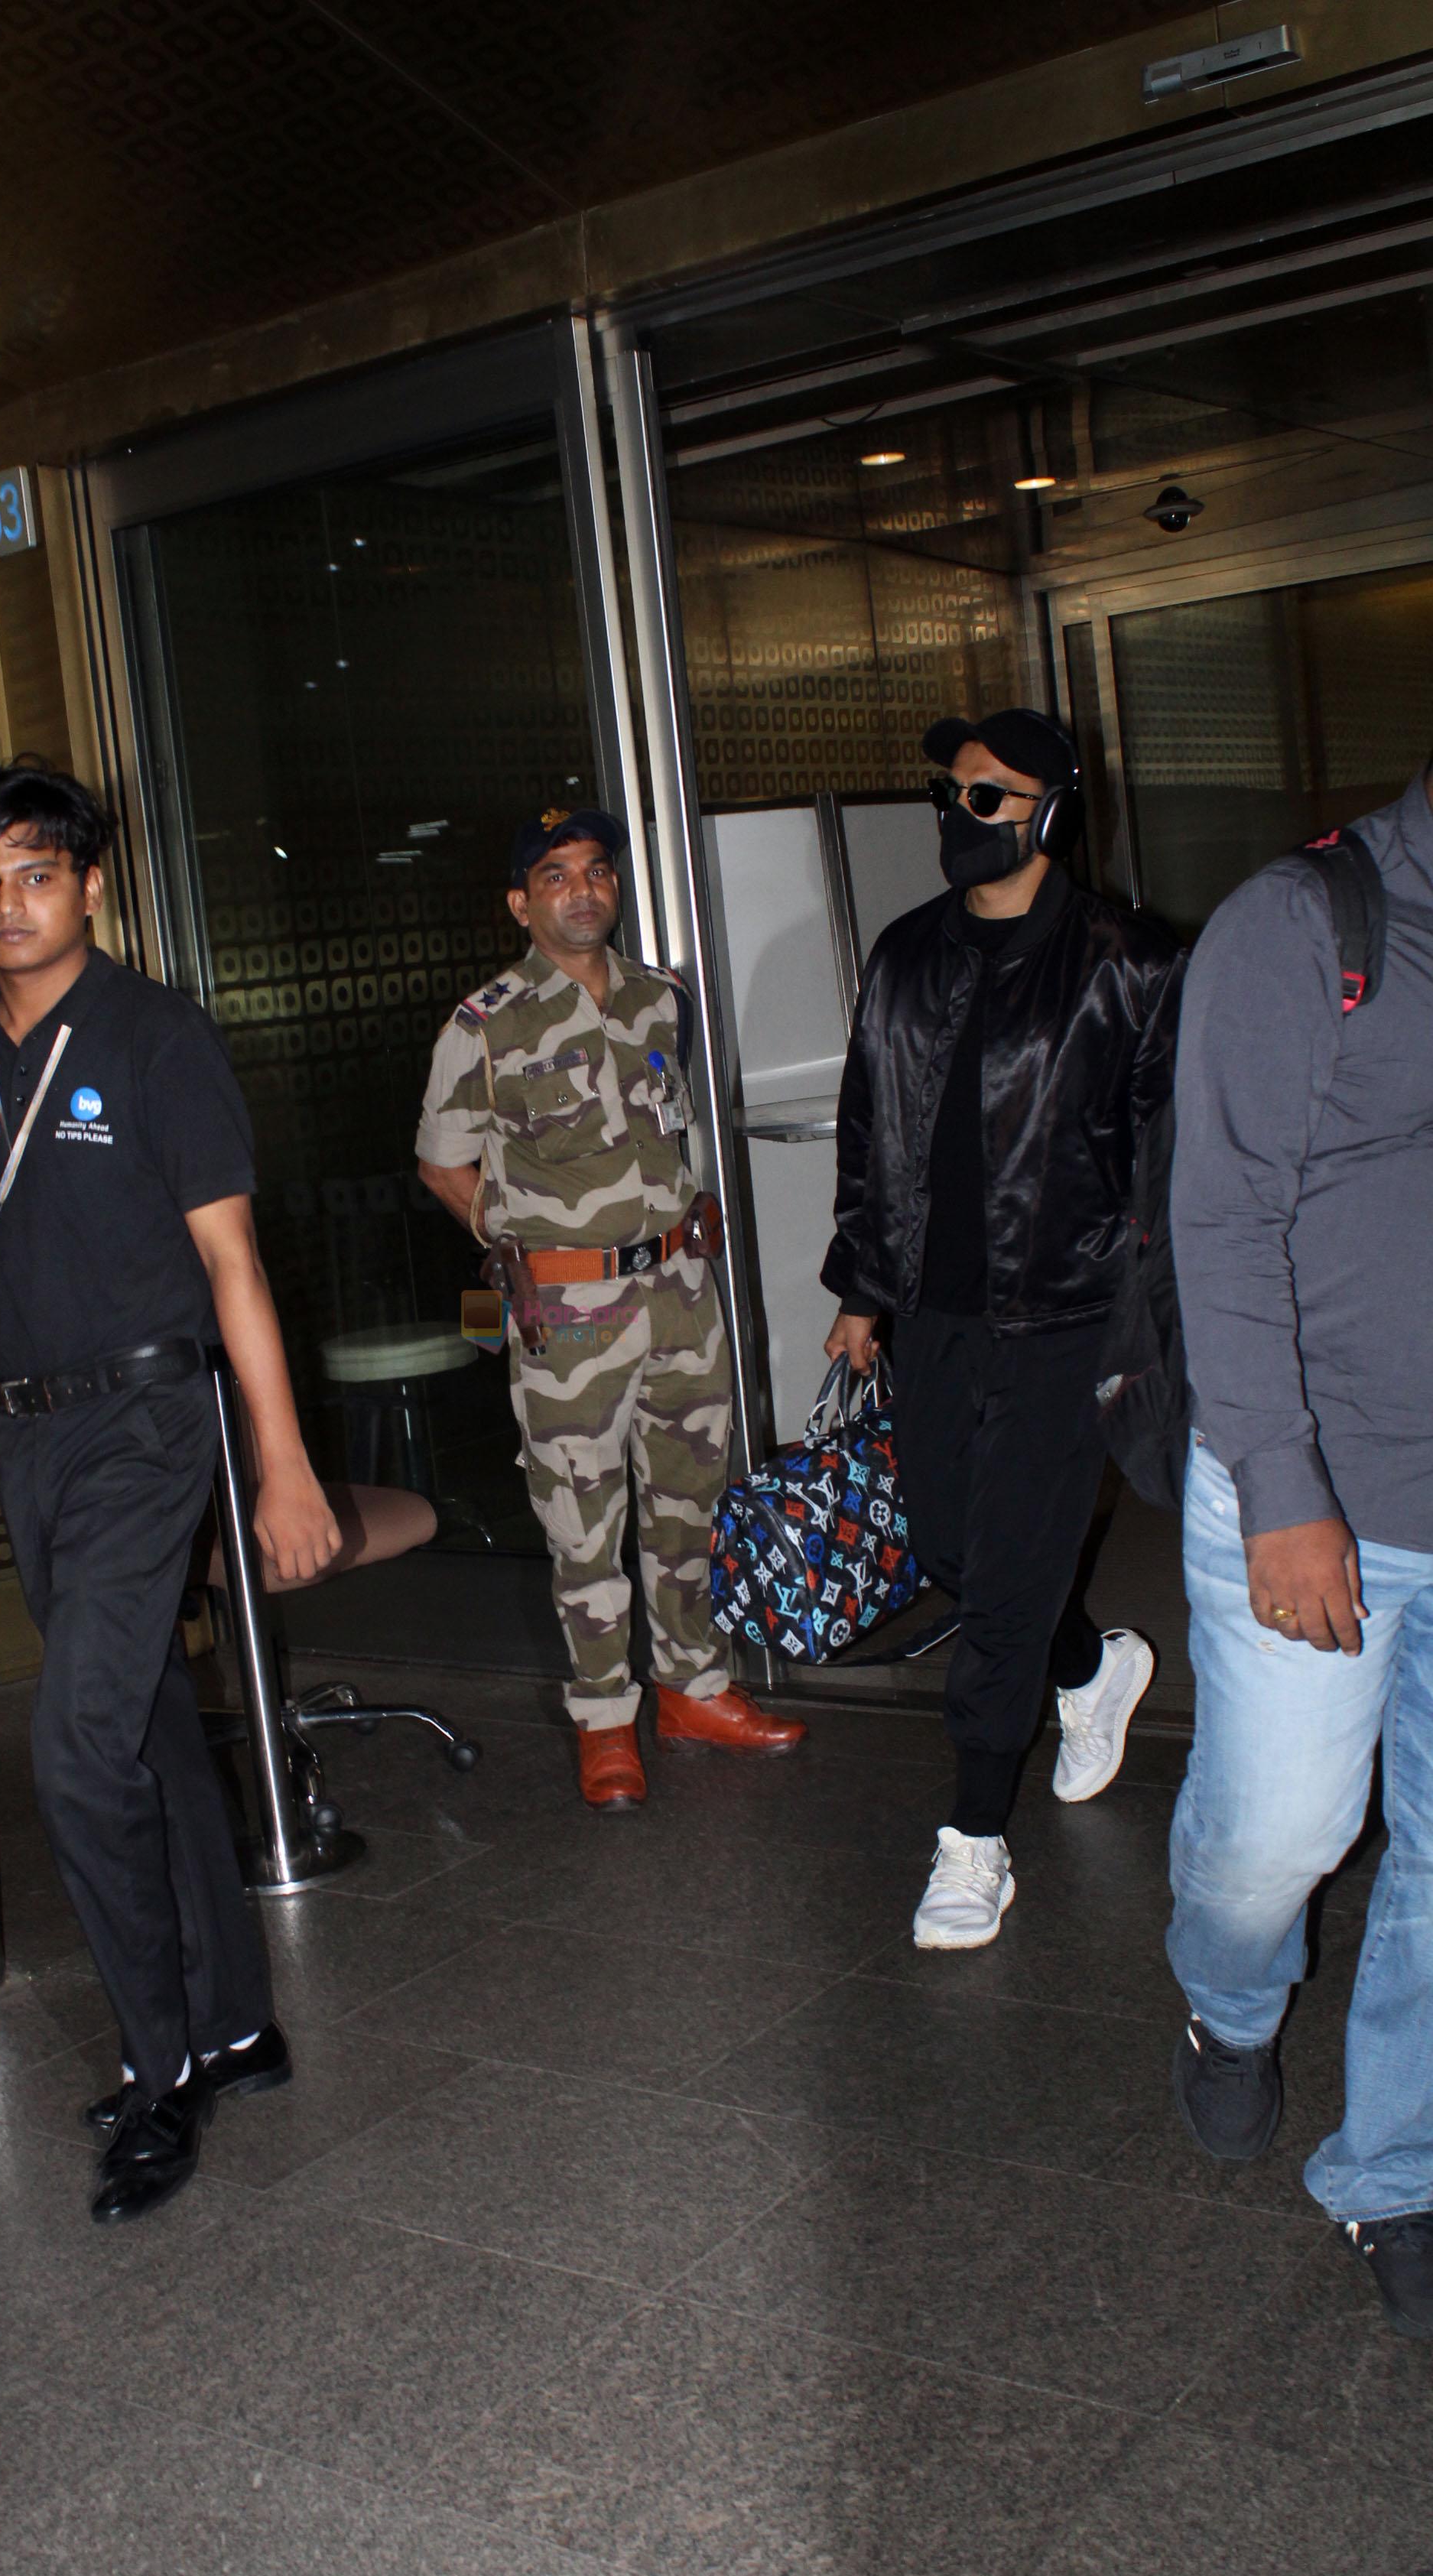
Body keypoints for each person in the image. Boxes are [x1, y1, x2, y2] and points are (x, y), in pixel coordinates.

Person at [0, 762, 340, 2226]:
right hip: (29, 1436)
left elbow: (232, 1266)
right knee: (141, 1723)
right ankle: (236, 2023)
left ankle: (160, 2075)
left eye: (37, 872)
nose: (10, 901)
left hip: (151, 1422)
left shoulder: (155, 1039)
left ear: (88, 884)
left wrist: (278, 1459)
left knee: (75, 1750)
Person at [823, 710, 1181, 1948]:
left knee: (1009, 1580)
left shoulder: (1127, 961)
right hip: (934, 1310)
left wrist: (1153, 1328)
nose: (957, 816)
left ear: (1049, 814)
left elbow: (1162, 1167)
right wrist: (863, 1291)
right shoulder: (906, 955)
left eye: (987, 798)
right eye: (952, 793)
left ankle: (974, 1839)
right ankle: (1091, 1667)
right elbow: (868, 1129)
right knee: (950, 1554)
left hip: (1070, 1316)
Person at [1166, 758, 1433, 2343]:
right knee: (1280, 1844)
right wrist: (1280, 1484)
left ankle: (1393, 2170)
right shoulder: (1307, 921)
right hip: (1315, 1480)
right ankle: (1227, 2003)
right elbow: (1223, 1214)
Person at [415, 806, 804, 1809]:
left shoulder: (662, 999)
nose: (583, 890)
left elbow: (674, 1127)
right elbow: (440, 1161)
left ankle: (693, 1691)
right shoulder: (486, 1023)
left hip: (680, 1290)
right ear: (520, 901)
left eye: (597, 871)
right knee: (583, 1518)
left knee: (690, 1504)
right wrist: (513, 1247)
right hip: (570, 1308)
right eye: (556, 875)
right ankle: (603, 1719)